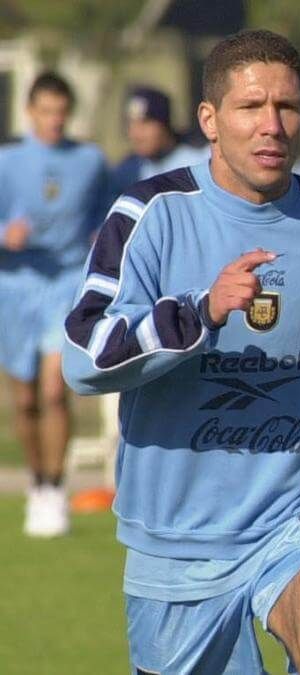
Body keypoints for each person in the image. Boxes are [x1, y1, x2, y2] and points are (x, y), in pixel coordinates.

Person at [62, 30, 300, 673]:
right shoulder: (150, 213)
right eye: (250, 107)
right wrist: (201, 312)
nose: (272, 125)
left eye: (287, 106)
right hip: (178, 538)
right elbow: (85, 354)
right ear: (209, 120)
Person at [0, 72, 108, 538]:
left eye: (61, 112)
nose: (54, 120)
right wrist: (5, 235)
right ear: (30, 112)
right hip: (16, 285)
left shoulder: (90, 161)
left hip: (66, 283)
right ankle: (37, 481)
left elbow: (108, 214)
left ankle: (55, 488)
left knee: (52, 390)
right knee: (25, 400)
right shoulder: (7, 161)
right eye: (46, 111)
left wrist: (101, 236)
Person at [109, 85, 209, 197]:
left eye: (145, 123)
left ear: (164, 125)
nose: (135, 134)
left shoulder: (200, 161)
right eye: (130, 124)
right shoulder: (129, 170)